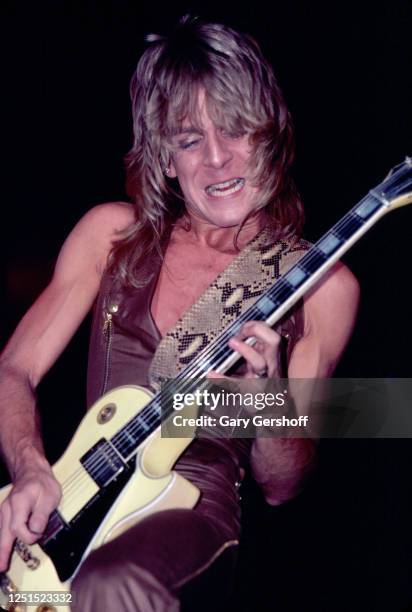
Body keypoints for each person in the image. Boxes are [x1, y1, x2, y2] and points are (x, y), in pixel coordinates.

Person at [0, 16, 359, 611]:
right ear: (166, 159)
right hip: (75, 504)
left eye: (237, 130)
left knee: (111, 583)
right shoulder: (109, 236)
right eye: (191, 140)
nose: (217, 159)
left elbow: (282, 484)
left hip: (193, 519)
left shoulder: (323, 285)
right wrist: (33, 466)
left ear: (268, 136)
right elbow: (14, 368)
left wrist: (265, 396)